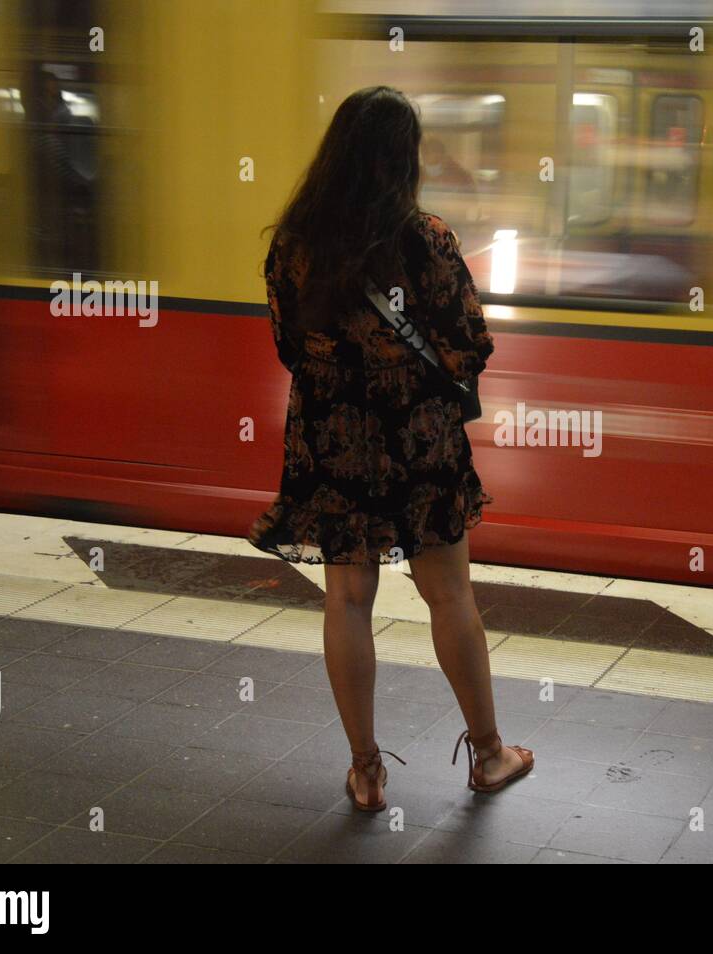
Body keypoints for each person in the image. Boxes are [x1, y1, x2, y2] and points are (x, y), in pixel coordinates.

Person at [248, 86, 533, 812]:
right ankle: (490, 754)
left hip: (332, 442)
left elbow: (288, 345)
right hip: (419, 445)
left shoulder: (293, 244)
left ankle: (367, 771)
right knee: (449, 594)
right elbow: (470, 343)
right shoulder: (426, 240)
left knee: (346, 598)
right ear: (401, 160)